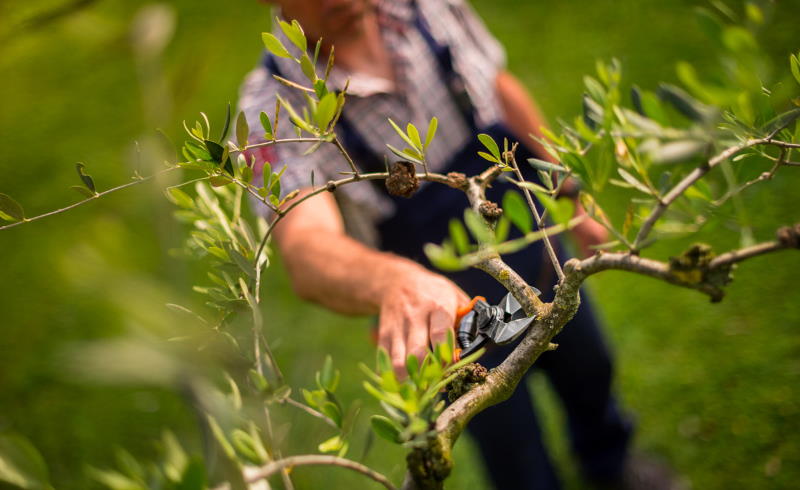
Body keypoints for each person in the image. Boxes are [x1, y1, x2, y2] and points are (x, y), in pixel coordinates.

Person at [238, 1, 657, 488]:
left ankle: (612, 467)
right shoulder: (271, 109)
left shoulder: (428, 7)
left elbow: (497, 88)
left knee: (590, 367)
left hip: (535, 252)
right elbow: (306, 247)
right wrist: (398, 282)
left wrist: (566, 190)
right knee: (512, 449)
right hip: (447, 321)